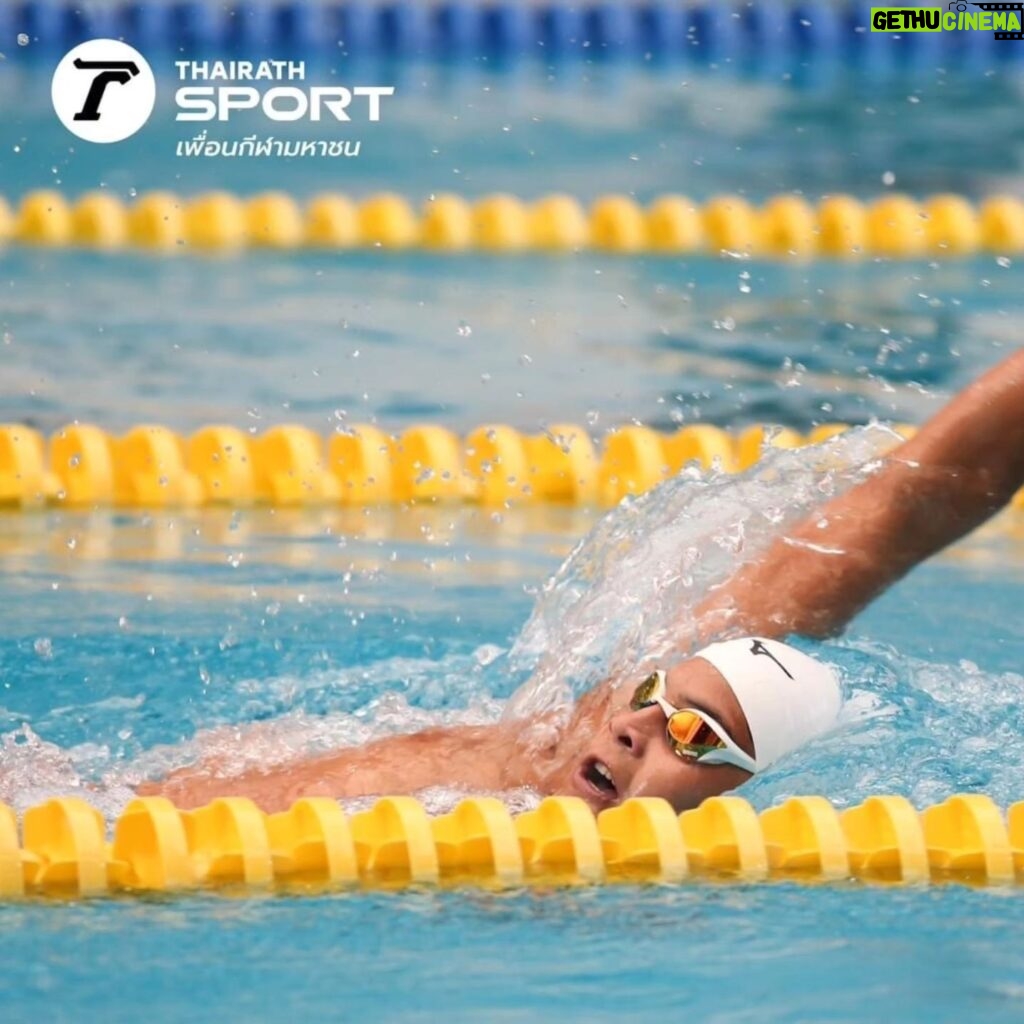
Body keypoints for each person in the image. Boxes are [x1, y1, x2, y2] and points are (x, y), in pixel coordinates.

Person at [141, 347, 1024, 815]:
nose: (640, 723)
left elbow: (903, 516)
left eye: (694, 731)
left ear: (749, 790)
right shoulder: (560, 741)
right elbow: (902, 502)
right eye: (652, 695)